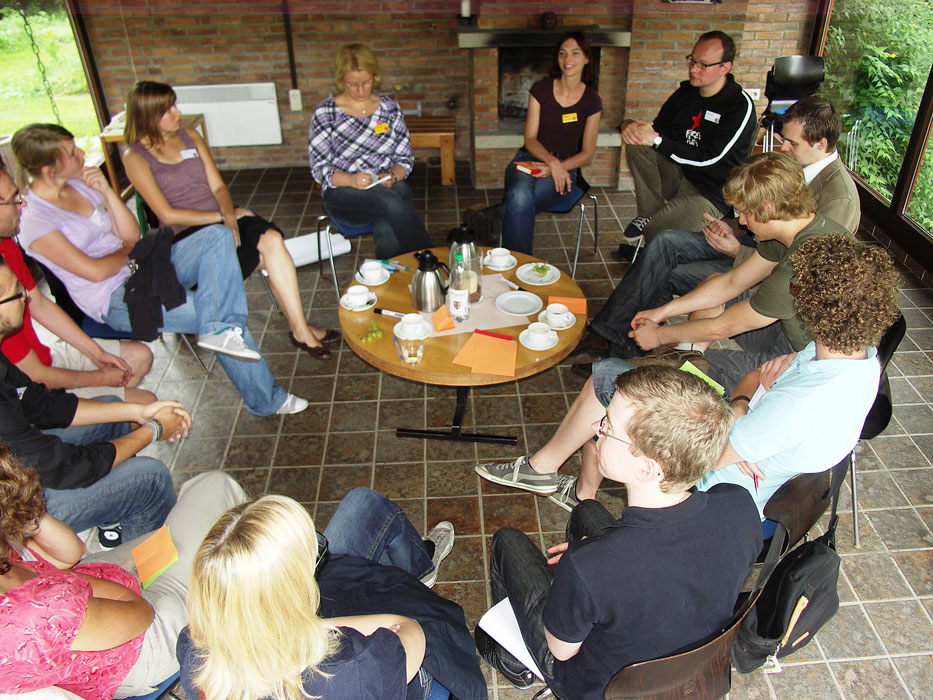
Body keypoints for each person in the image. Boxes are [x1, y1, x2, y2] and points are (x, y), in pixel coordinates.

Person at [476, 236, 899, 526]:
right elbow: (755, 378)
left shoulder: (803, 402)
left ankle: (559, 482)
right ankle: (574, 490)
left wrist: (740, 406)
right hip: (739, 447)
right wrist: (746, 408)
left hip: (714, 494)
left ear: (810, 305)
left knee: (611, 384)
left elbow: (709, 456)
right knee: (620, 393)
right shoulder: (856, 359)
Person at [477, 366, 761, 699]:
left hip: (603, 687)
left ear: (647, 468)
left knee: (506, 541)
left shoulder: (588, 566)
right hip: (692, 665)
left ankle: (514, 661)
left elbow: (562, 651)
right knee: (586, 510)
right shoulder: (738, 506)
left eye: (608, 427)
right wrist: (599, 557)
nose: (596, 428)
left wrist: (579, 578)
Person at [9, 123, 306, 416]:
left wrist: (108, 194)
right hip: (116, 298)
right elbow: (95, 272)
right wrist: (129, 252)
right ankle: (265, 400)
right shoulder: (35, 219)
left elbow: (132, 234)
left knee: (218, 237)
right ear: (50, 169)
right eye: (72, 152)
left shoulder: (80, 184)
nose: (82, 153)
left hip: (145, 265)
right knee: (221, 318)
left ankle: (219, 327)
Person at [581, 98, 860, 363]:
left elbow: (722, 326)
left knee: (686, 361)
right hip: (773, 298)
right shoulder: (789, 226)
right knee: (672, 249)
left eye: (745, 213)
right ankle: (634, 347)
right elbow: (731, 283)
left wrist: (660, 334)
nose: (742, 222)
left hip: (797, 352)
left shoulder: (828, 216)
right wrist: (661, 313)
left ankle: (633, 355)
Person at [178, 489, 488, 700]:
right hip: (398, 673)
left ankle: (418, 569)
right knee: (425, 617)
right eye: (309, 556)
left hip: (294, 634)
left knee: (362, 503)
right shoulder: (353, 666)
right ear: (287, 589)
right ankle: (418, 573)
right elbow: (408, 630)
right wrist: (317, 627)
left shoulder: (193, 646)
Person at [0, 448, 247, 699]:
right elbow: (140, 612)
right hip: (139, 646)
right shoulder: (36, 615)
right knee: (216, 486)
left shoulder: (5, 556)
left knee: (186, 533)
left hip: (94, 587)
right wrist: (74, 589)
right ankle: (253, 618)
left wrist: (28, 514)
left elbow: (71, 554)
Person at [123, 80, 339, 361]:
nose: (177, 112)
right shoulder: (135, 156)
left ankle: (300, 329)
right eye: (167, 110)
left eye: (175, 104)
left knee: (272, 241)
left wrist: (230, 218)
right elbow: (166, 214)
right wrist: (222, 217)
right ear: (147, 115)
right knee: (267, 258)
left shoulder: (189, 136)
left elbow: (218, 187)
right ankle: (301, 329)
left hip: (222, 219)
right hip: (187, 237)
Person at [0, 258, 187, 542]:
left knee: (117, 417)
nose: (26, 296)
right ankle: (141, 580)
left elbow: (43, 405)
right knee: (150, 479)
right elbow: (67, 467)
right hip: (13, 513)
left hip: (20, 470)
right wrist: (154, 430)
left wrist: (139, 411)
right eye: (16, 292)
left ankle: (113, 515)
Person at [0, 158, 153, 403]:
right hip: (28, 393)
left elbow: (38, 303)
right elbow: (35, 376)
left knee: (139, 357)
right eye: (13, 199)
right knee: (146, 403)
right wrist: (100, 378)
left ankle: (108, 421)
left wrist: (97, 353)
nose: (23, 204)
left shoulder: (6, 244)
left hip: (46, 358)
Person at [616, 30, 756, 258]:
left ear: (725, 67)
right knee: (638, 143)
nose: (693, 69)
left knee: (658, 233)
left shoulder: (739, 106)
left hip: (711, 194)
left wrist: (657, 140)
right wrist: (629, 126)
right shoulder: (685, 93)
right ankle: (650, 216)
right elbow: (656, 132)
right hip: (679, 175)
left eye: (703, 65)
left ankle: (652, 243)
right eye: (692, 60)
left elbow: (711, 159)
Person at [309, 43, 432, 259]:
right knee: (391, 202)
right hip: (343, 193)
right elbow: (320, 169)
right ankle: (431, 261)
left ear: (375, 77)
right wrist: (351, 180)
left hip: (386, 188)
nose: (360, 90)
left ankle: (390, 280)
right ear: (341, 81)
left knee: (391, 208)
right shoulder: (325, 113)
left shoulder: (389, 108)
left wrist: (393, 175)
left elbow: (405, 158)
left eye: (366, 83)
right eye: (352, 85)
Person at [500, 31, 602, 255]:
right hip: (528, 160)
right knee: (519, 198)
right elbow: (530, 139)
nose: (568, 59)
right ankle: (521, 271)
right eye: (563, 53)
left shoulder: (592, 100)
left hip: (566, 172)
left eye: (575, 53)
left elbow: (587, 153)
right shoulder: (541, 89)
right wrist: (552, 162)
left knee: (517, 200)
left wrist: (558, 167)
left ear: (586, 58)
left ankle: (512, 267)